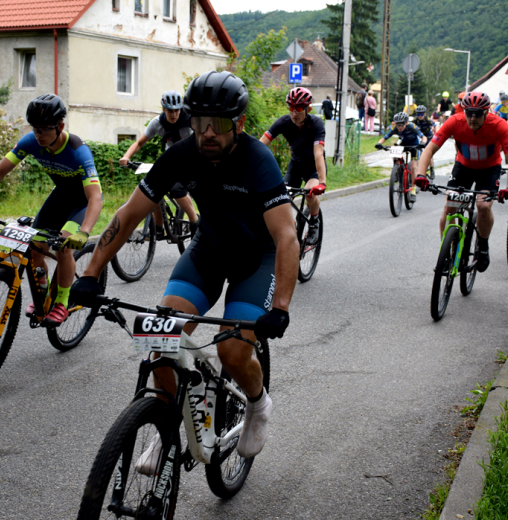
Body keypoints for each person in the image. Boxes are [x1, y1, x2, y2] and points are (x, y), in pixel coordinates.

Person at [70, 71, 299, 463]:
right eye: (199, 123)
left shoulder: (257, 160)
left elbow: (287, 237)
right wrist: (90, 274)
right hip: (207, 251)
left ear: (239, 124)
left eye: (219, 125)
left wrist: (280, 307)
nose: (207, 133)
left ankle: (258, 405)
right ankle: (166, 425)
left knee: (231, 352)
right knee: (160, 342)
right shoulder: (180, 155)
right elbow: (127, 215)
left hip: (254, 261)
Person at [0, 94, 103, 326]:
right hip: (60, 197)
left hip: (82, 202)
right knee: (35, 249)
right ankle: (44, 292)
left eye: (44, 130)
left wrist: (85, 230)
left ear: (60, 127)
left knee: (64, 246)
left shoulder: (78, 150)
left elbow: (95, 197)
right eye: (34, 129)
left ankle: (61, 301)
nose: (38, 135)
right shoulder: (30, 142)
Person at [414, 91, 508, 272]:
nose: (472, 117)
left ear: (487, 112)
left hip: (489, 169)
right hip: (463, 167)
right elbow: (429, 149)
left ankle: (483, 247)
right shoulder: (455, 121)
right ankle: (446, 253)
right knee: (450, 207)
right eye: (468, 112)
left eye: (477, 113)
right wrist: (421, 175)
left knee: (483, 206)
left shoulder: (499, 125)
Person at [120, 90, 199, 236]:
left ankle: (195, 222)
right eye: (170, 111)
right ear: (163, 109)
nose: (174, 114)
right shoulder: (157, 123)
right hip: (171, 161)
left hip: (191, 161)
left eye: (177, 110)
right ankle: (159, 228)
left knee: (176, 189)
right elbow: (139, 143)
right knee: (152, 187)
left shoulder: (190, 121)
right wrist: (126, 156)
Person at [261, 87, 327, 244]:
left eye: (298, 108)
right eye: (291, 108)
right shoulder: (284, 122)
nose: (294, 113)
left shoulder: (316, 124)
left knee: (309, 193)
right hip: (295, 166)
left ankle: (314, 222)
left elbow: (318, 154)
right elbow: (261, 145)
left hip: (313, 168)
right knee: (281, 199)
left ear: (308, 109)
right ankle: (286, 229)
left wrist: (322, 182)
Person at [375, 111, 427, 200]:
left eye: (402, 124)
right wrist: (379, 144)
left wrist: (423, 143)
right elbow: (385, 137)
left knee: (414, 167)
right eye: (398, 124)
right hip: (403, 143)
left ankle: (413, 191)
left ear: (406, 123)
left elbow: (423, 136)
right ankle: (397, 169)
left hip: (414, 144)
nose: (399, 127)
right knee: (394, 149)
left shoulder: (411, 126)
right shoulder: (395, 128)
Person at [413, 105, 434, 173]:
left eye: (421, 114)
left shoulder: (427, 119)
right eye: (418, 114)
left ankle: (431, 169)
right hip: (419, 137)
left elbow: (435, 125)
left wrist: (437, 132)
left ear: (424, 114)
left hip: (428, 137)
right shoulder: (415, 120)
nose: (420, 116)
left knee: (429, 153)